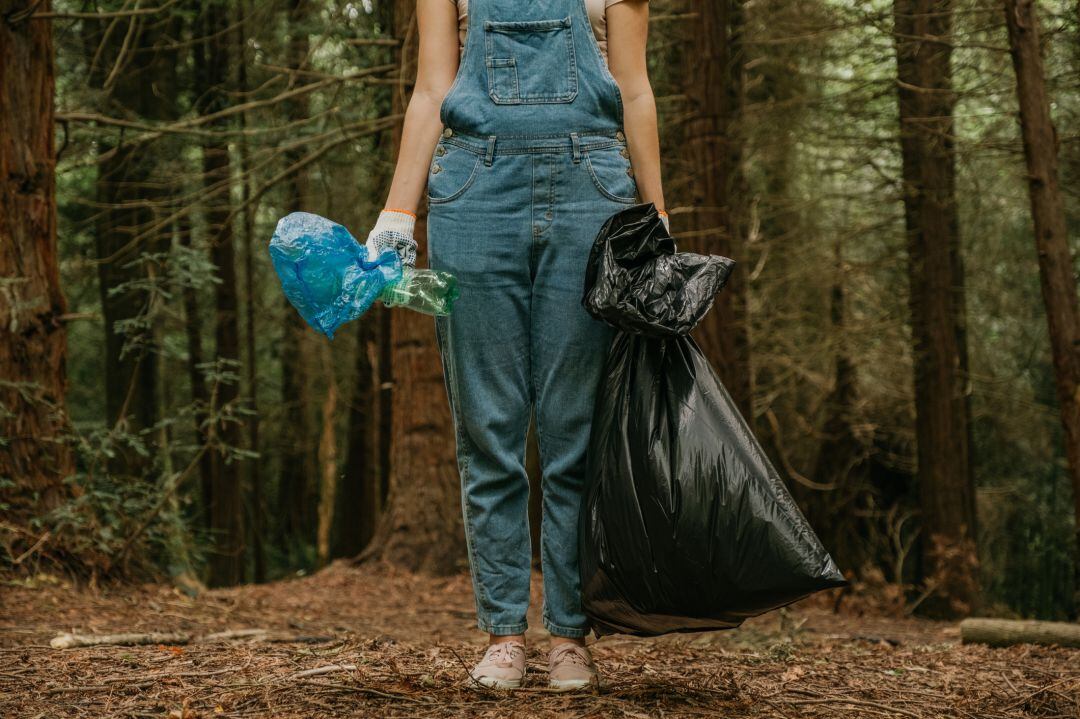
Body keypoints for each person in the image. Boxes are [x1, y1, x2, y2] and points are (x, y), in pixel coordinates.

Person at [364, 0, 667, 691]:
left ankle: (568, 635)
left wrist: (657, 215)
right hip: (473, 191)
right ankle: (504, 633)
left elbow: (635, 88)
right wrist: (395, 213)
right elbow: (432, 90)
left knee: (576, 432)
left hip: (594, 192)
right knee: (488, 427)